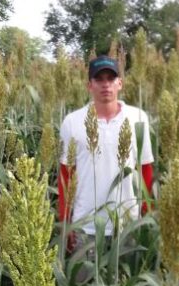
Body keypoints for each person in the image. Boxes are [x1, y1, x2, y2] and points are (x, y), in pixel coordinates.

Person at [58, 55, 155, 250]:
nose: (105, 85)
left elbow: (145, 170)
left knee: (125, 279)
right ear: (89, 85)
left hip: (128, 224)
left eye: (110, 79)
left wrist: (146, 214)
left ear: (120, 83)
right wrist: (66, 221)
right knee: (84, 279)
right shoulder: (73, 121)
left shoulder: (138, 118)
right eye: (99, 79)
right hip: (86, 226)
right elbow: (66, 175)